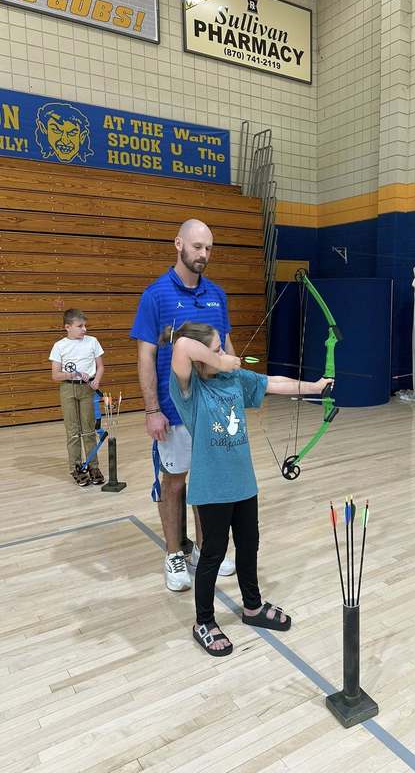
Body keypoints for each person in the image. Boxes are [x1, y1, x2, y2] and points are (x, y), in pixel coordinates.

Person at [165, 321, 333, 656]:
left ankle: (253, 608)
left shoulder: (234, 380)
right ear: (203, 359)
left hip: (243, 483)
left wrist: (314, 387)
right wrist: (221, 361)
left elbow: (273, 383)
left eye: (223, 349)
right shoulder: (189, 388)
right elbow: (182, 345)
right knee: (212, 553)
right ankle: (204, 621)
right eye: (216, 350)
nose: (225, 354)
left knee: (249, 545)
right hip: (212, 488)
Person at [130, 219, 236, 592]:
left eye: (208, 247)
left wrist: (232, 398)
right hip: (173, 412)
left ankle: (205, 550)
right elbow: (145, 356)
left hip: (212, 413)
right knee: (175, 483)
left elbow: (227, 350)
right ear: (178, 244)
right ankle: (174, 552)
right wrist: (151, 410)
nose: (203, 254)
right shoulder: (155, 295)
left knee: (206, 485)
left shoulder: (217, 295)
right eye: (196, 247)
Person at [49, 308, 105, 486]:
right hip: (68, 390)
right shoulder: (59, 346)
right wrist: (72, 375)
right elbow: (55, 375)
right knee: (73, 432)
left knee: (89, 430)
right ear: (67, 327)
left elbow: (100, 367)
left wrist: (96, 379)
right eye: (80, 326)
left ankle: (93, 466)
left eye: (85, 326)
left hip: (87, 390)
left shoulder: (92, 342)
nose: (84, 329)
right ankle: (76, 467)